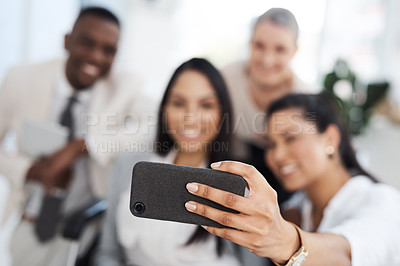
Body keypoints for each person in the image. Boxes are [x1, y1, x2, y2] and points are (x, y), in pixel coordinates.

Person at [0, 6, 153, 266]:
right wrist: (33, 171)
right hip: (29, 223)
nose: (96, 57)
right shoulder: (21, 78)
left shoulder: (126, 86)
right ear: (67, 41)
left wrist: (84, 145)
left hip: (85, 231)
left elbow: (155, 127)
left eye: (109, 50)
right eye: (87, 43)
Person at [184, 93, 400, 265]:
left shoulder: (382, 201)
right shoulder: (294, 208)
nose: (277, 155)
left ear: (331, 138)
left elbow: (347, 255)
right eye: (271, 144)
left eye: (291, 138)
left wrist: (286, 241)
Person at [95, 58, 247, 266]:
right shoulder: (130, 165)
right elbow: (108, 254)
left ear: (222, 113)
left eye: (206, 105)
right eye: (178, 103)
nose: (190, 118)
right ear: (164, 109)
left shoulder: (241, 183)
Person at [221, 8, 311, 204]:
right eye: (259, 46)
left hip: (284, 187)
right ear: (249, 43)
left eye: (280, 49)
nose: (267, 59)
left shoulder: (305, 98)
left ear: (294, 51)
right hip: (228, 172)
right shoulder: (227, 78)